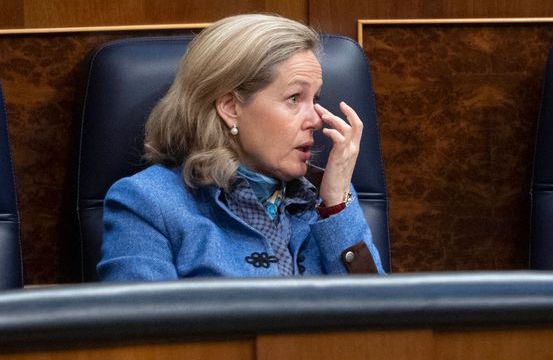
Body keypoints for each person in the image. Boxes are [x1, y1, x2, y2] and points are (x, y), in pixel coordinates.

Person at [99, 14, 384, 280]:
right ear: (230, 107)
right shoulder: (147, 204)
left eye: (315, 99)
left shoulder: (328, 197)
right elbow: (142, 332)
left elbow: (383, 325)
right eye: (295, 98)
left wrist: (335, 207)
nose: (315, 120)